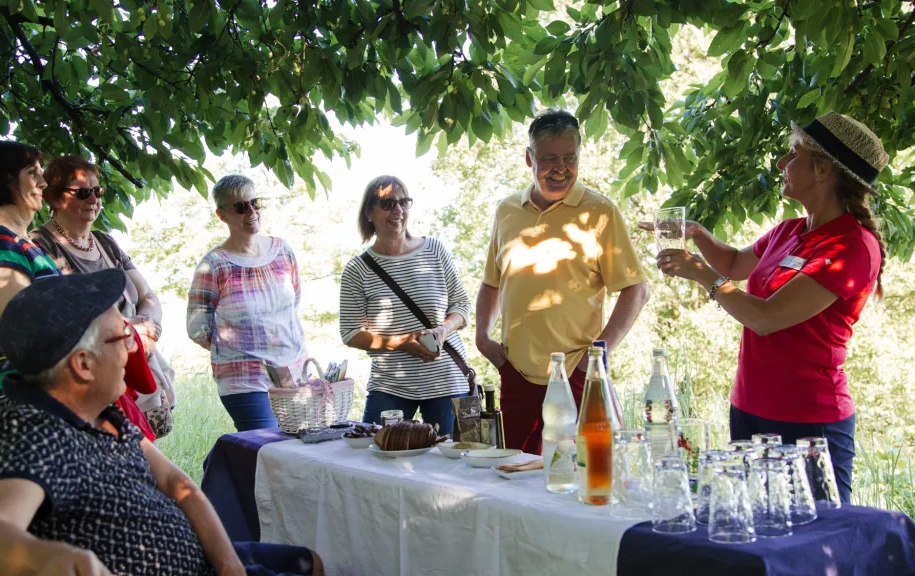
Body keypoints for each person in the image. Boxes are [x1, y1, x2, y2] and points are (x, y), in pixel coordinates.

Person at [0, 269, 322, 576]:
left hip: (203, 562)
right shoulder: (33, 430)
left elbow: (178, 484)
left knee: (312, 563)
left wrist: (229, 566)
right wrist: (48, 559)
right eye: (124, 337)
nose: (134, 350)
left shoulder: (102, 413)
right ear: (82, 364)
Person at [650, 112, 887, 504]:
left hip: (809, 419)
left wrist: (699, 273)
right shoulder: (791, 230)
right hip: (748, 406)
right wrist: (698, 235)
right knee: (754, 531)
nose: (781, 163)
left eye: (793, 154)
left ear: (823, 169)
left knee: (811, 546)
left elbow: (766, 318)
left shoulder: (851, 246)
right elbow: (734, 265)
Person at [475, 110, 650, 455]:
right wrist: (482, 337)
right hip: (517, 374)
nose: (561, 168)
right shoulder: (507, 210)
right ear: (529, 159)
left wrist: (597, 356)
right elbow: (491, 283)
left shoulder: (600, 211)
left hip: (576, 373)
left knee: (588, 476)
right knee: (519, 480)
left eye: (570, 158)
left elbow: (636, 290)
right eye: (549, 158)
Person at [32, 155, 175, 435]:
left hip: (134, 369)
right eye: (83, 192)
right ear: (55, 198)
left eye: (97, 191)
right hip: (90, 379)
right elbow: (61, 318)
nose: (94, 199)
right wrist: (129, 333)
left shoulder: (106, 242)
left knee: (143, 462)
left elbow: (148, 296)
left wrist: (148, 329)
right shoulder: (40, 244)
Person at [339, 176, 473, 436]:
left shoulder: (434, 250)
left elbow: (461, 305)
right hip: (390, 386)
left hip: (447, 380)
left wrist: (443, 331)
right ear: (369, 211)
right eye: (388, 203)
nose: (398, 211)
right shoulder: (357, 269)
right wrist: (403, 342)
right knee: (377, 458)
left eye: (404, 202)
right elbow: (351, 334)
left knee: (453, 466)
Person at [187, 175, 307, 431]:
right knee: (265, 448)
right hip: (244, 379)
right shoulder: (215, 264)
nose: (251, 211)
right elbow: (197, 328)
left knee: (299, 455)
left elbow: (293, 302)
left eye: (255, 202)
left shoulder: (283, 251)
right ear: (221, 215)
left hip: (294, 370)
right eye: (241, 207)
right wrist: (238, 350)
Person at [0, 140, 60, 405]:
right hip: (28, 399)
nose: (43, 183)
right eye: (32, 173)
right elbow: (24, 336)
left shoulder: (18, 241)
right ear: (4, 180)